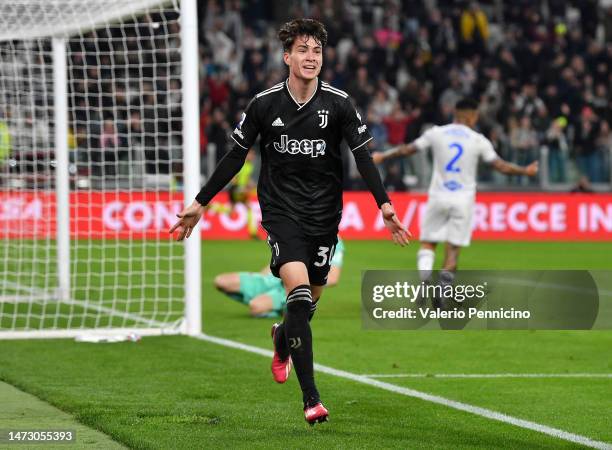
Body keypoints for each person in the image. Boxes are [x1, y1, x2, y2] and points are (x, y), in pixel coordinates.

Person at [170, 19, 409, 424]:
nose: (311, 57)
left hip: (324, 216)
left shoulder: (339, 103)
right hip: (281, 214)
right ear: (287, 57)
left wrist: (384, 205)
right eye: (303, 50)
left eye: (316, 51)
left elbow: (363, 156)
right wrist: (201, 202)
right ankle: (311, 398)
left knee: (307, 305)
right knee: (296, 292)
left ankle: (282, 339)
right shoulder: (264, 104)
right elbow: (234, 157)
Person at [372, 98, 537, 302]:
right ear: (471, 116)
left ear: (455, 114)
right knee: (453, 250)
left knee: (429, 243)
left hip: (438, 196)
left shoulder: (436, 133)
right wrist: (524, 170)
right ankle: (442, 289)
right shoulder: (478, 140)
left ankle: (424, 282)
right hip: (463, 200)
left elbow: (408, 149)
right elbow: (500, 166)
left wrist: (383, 156)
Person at [215, 238, 345, 318]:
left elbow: (333, 278)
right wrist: (262, 276)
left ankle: (283, 308)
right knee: (220, 281)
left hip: (290, 288)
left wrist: (300, 280)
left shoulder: (335, 242)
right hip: (271, 279)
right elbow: (281, 258)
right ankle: (271, 303)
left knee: (255, 306)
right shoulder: (297, 224)